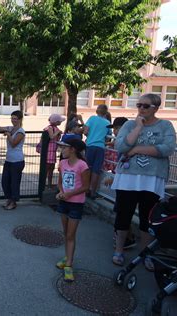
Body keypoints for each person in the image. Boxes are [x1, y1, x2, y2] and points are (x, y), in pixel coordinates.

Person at [111, 93, 176, 270]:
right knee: (123, 215)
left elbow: (167, 148)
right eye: (139, 105)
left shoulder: (165, 126)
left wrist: (137, 149)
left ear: (155, 108)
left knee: (148, 218)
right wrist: (138, 128)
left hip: (152, 179)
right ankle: (119, 250)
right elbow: (121, 146)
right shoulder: (130, 125)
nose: (141, 108)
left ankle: (146, 253)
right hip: (128, 178)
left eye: (145, 106)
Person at [55, 138, 90, 282]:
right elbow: (60, 182)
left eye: (64, 147)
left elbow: (85, 187)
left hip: (76, 204)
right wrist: (61, 192)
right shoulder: (62, 163)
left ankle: (69, 265)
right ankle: (67, 257)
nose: (61, 150)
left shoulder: (83, 165)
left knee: (70, 235)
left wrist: (69, 194)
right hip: (64, 203)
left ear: (73, 149)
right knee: (66, 233)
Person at [102, 117, 137, 250]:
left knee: (122, 211)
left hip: (126, 183)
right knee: (121, 210)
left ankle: (127, 238)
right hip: (122, 181)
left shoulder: (129, 143)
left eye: (117, 129)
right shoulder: (121, 143)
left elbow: (127, 163)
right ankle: (125, 236)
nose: (115, 132)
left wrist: (115, 178)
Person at [0, 110, 25, 210]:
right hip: (8, 160)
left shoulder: (21, 131)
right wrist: (5, 129)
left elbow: (13, 143)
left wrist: (8, 135)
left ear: (20, 119)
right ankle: (8, 199)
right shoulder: (11, 128)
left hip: (17, 161)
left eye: (15, 119)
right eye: (12, 118)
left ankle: (13, 202)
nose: (13, 120)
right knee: (5, 181)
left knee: (14, 183)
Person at [83, 104, 111, 197]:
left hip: (90, 146)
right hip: (100, 148)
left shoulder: (92, 118)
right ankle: (93, 192)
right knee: (96, 170)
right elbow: (108, 139)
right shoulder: (107, 122)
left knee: (88, 168)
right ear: (106, 112)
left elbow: (85, 131)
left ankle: (85, 190)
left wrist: (90, 136)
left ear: (96, 111)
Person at [44, 114, 65, 188]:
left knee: (51, 168)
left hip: (52, 151)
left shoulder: (55, 128)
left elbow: (56, 139)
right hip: (48, 151)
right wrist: (58, 132)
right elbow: (51, 136)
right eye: (59, 121)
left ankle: (49, 183)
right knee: (47, 168)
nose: (60, 122)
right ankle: (44, 184)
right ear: (56, 121)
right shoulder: (49, 128)